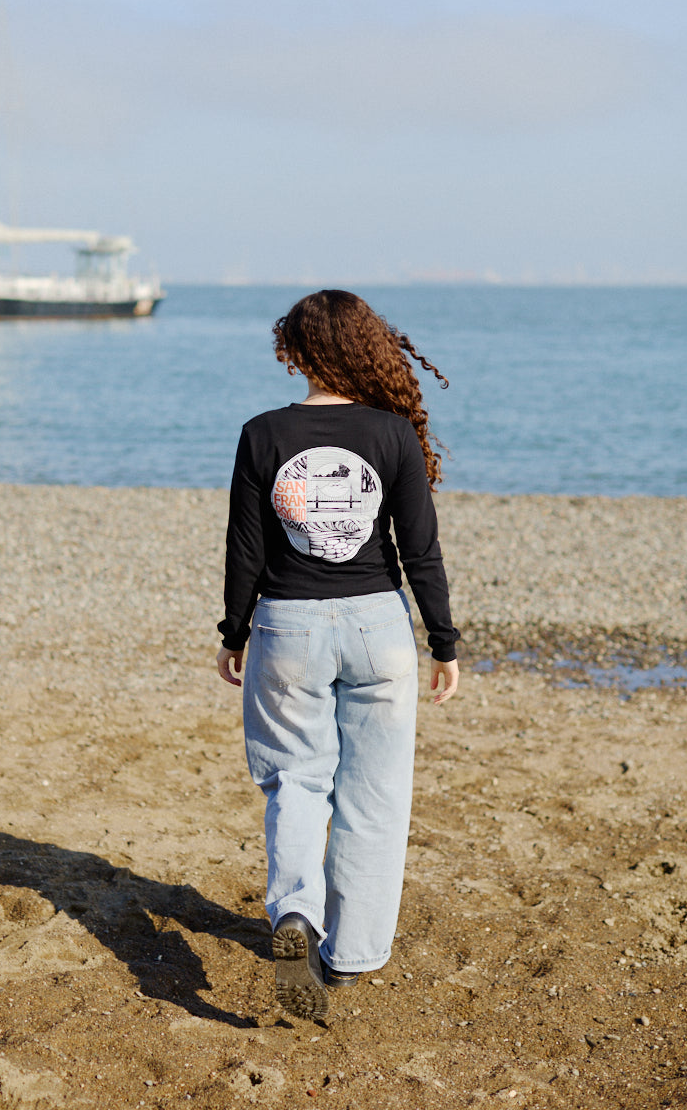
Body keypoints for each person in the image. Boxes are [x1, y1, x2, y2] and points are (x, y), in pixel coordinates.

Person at [216, 289, 459, 1022]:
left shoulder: (262, 434)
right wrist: (443, 641)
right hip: (378, 625)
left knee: (295, 780)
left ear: (293, 352)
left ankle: (296, 913)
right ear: (365, 348)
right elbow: (420, 549)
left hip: (287, 626)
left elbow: (245, 549)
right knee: (374, 795)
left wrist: (234, 631)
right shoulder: (392, 434)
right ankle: (349, 956)